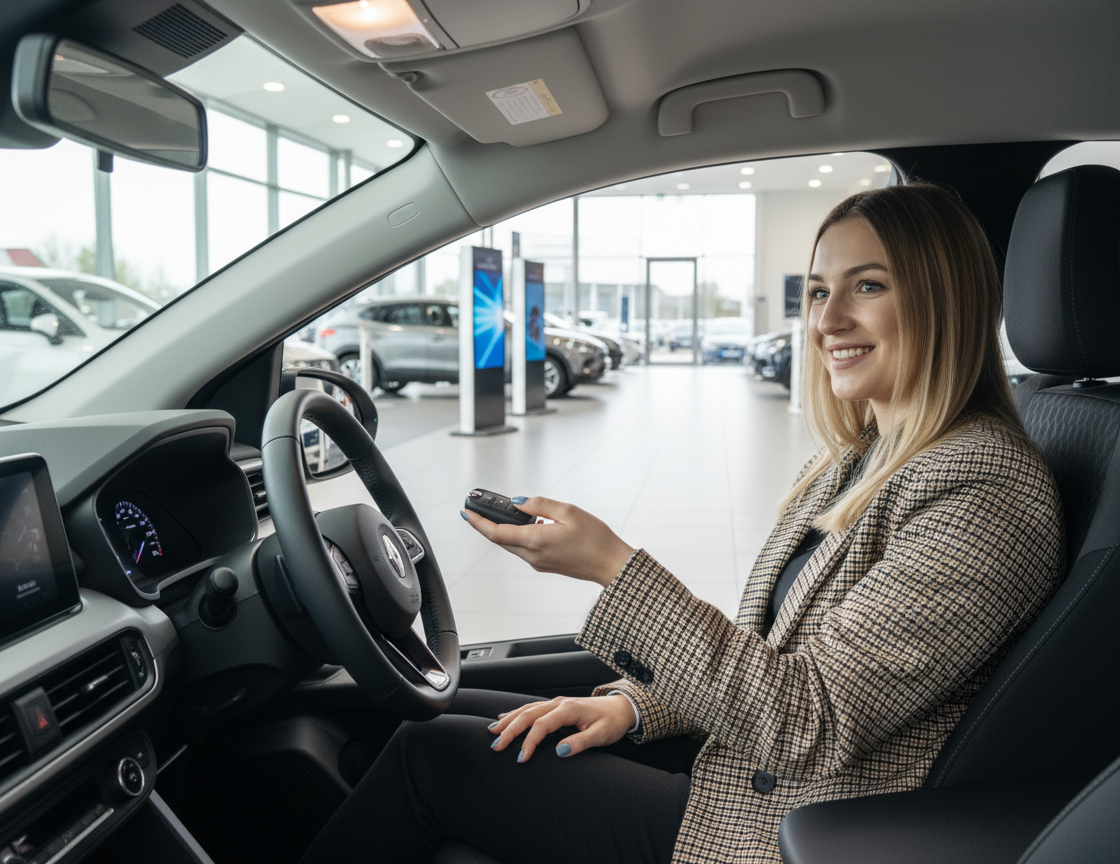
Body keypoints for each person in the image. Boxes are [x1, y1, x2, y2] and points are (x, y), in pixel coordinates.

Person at [300, 183, 1063, 864]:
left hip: (783, 827)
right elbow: (776, 654)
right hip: (745, 769)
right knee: (435, 706)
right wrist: (630, 706)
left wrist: (611, 566)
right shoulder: (862, 457)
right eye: (819, 291)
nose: (828, 319)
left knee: (430, 755)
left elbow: (810, 720)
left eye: (867, 287)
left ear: (944, 299)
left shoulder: (982, 486)